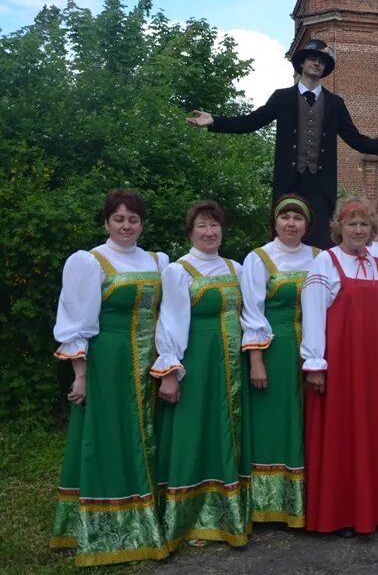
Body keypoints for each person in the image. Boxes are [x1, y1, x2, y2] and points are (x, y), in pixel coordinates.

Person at [187, 40, 378, 249]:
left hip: (320, 185)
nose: (317, 63)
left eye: (321, 61)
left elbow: (355, 139)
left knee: (322, 245)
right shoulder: (282, 97)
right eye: (312, 59)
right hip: (288, 183)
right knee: (287, 240)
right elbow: (251, 122)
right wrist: (215, 121)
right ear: (302, 63)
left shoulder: (335, 104)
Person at [50, 189, 170, 567]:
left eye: (133, 220)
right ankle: (107, 527)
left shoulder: (158, 261)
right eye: (119, 219)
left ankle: (149, 516)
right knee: (109, 437)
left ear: (141, 223)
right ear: (106, 222)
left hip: (150, 362)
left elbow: (169, 314)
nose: (126, 226)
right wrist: (81, 375)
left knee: (149, 436)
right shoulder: (89, 262)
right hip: (110, 363)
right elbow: (77, 322)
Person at [300, 196, 378, 534]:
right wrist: (315, 362)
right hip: (343, 363)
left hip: (377, 364)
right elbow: (314, 313)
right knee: (344, 435)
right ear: (340, 228)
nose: (359, 230)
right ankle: (343, 514)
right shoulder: (325, 262)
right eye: (353, 224)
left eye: (365, 225)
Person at [150, 200, 251, 549]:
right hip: (196, 366)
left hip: (231, 368)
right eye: (201, 227)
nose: (209, 232)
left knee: (226, 434)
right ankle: (191, 519)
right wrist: (169, 372)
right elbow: (171, 321)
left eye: (214, 225)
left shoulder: (236, 268)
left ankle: (227, 514)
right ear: (190, 232)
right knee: (194, 435)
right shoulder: (179, 271)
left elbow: (249, 317)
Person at [239, 195, 321, 528]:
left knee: (310, 421)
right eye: (285, 217)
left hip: (314, 347)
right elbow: (252, 312)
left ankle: (311, 499)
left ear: (307, 224)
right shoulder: (259, 259)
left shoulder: (318, 257)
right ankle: (269, 503)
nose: (291, 223)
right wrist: (257, 359)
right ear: (275, 222)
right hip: (276, 346)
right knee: (274, 422)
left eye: (297, 218)